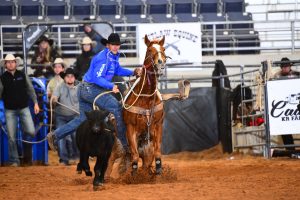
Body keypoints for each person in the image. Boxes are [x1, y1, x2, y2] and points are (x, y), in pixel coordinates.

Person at [47, 33, 142, 158]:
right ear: (108, 45)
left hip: (85, 88)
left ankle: (55, 135)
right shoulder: (104, 58)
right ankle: (125, 145)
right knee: (117, 108)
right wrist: (110, 86)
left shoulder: (112, 57)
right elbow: (97, 78)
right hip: (91, 89)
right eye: (113, 45)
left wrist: (132, 72)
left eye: (117, 45)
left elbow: (117, 70)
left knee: (82, 119)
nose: (116, 47)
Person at [0, 54, 40, 166]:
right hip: (10, 110)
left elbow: (30, 89)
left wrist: (36, 103)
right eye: (8, 62)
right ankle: (14, 160)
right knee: (11, 137)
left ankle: (26, 156)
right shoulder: (2, 78)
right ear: (5, 65)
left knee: (31, 131)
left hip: (24, 108)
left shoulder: (23, 75)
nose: (10, 64)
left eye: (12, 62)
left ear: (16, 63)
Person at [51, 68, 79, 165]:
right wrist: (54, 99)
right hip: (61, 116)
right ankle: (63, 159)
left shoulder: (79, 87)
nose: (70, 78)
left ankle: (76, 156)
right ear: (64, 78)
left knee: (75, 135)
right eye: (68, 76)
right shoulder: (59, 87)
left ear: (74, 78)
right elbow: (54, 97)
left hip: (75, 116)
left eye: (72, 76)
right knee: (61, 136)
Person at [272, 57, 299, 153]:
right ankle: (290, 150)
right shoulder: (276, 76)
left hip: (296, 104)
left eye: (286, 66)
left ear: (290, 66)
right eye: (283, 67)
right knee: (284, 127)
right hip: (284, 106)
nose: (285, 68)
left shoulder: (297, 74)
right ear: (281, 67)